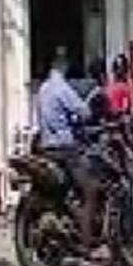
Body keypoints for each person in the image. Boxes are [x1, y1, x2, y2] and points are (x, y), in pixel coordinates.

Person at [35, 48, 101, 241]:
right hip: (64, 148)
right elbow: (83, 111)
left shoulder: (43, 89)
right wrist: (86, 113)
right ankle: (85, 242)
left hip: (46, 147)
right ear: (62, 65)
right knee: (90, 189)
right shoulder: (61, 88)